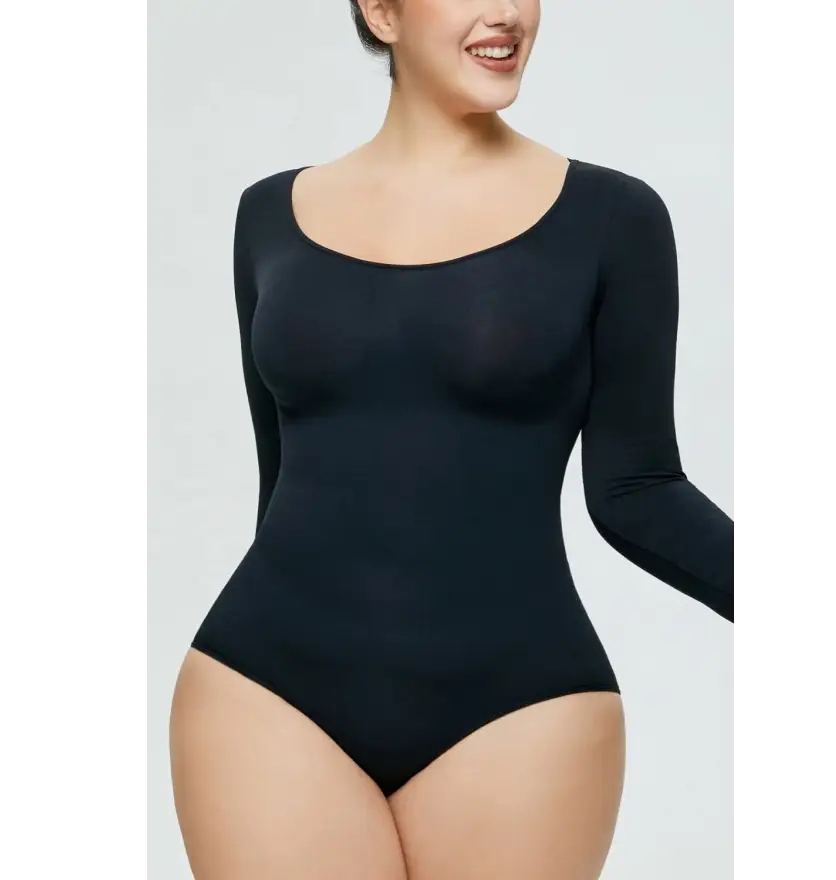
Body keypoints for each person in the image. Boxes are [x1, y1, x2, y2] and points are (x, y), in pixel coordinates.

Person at [168, 1, 736, 878]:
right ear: (381, 9)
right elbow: (279, 484)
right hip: (266, 691)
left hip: (521, 709)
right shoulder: (268, 215)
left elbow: (638, 490)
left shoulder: (613, 217)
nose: (505, 10)